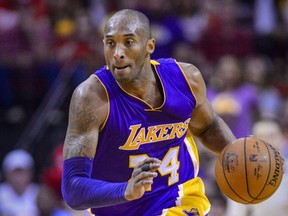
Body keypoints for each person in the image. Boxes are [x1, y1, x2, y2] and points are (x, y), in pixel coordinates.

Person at [61, 9, 236, 216]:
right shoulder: (91, 97)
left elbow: (208, 127)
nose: (117, 53)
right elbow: (72, 188)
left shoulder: (186, 79)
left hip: (179, 200)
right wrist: (126, 189)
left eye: (128, 42)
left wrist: (237, 151)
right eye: (110, 43)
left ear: (149, 46)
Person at [225, 118, 288, 216]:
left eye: (272, 136)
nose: (267, 141)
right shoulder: (242, 177)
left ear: (283, 138)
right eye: (261, 137)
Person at [0, 149, 39, 216]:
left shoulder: (39, 193)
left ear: (30, 174)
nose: (18, 178)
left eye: (22, 173)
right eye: (15, 173)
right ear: (6, 175)